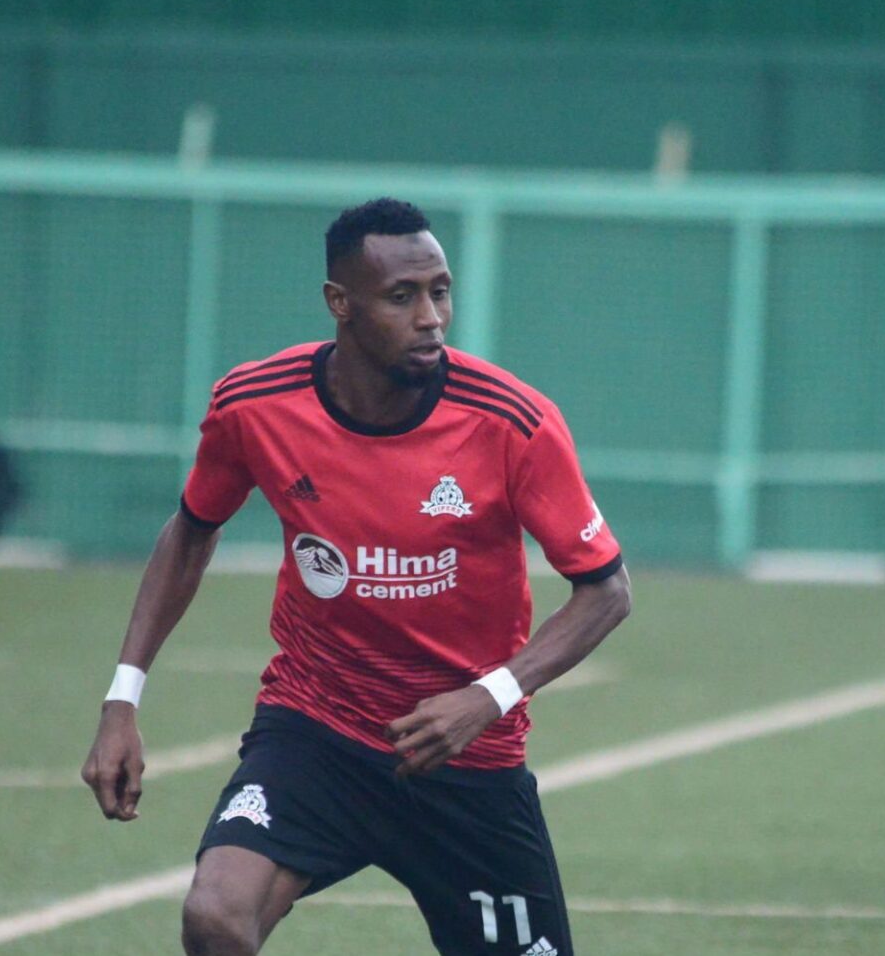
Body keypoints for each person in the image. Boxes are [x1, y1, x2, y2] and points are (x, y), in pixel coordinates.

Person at [82, 198, 631, 955]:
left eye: (440, 290)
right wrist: (122, 698)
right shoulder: (254, 405)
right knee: (215, 918)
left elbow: (607, 590)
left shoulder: (512, 421)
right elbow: (190, 533)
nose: (432, 316)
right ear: (339, 304)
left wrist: (486, 697)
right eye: (401, 296)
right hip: (317, 736)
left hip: (466, 758)